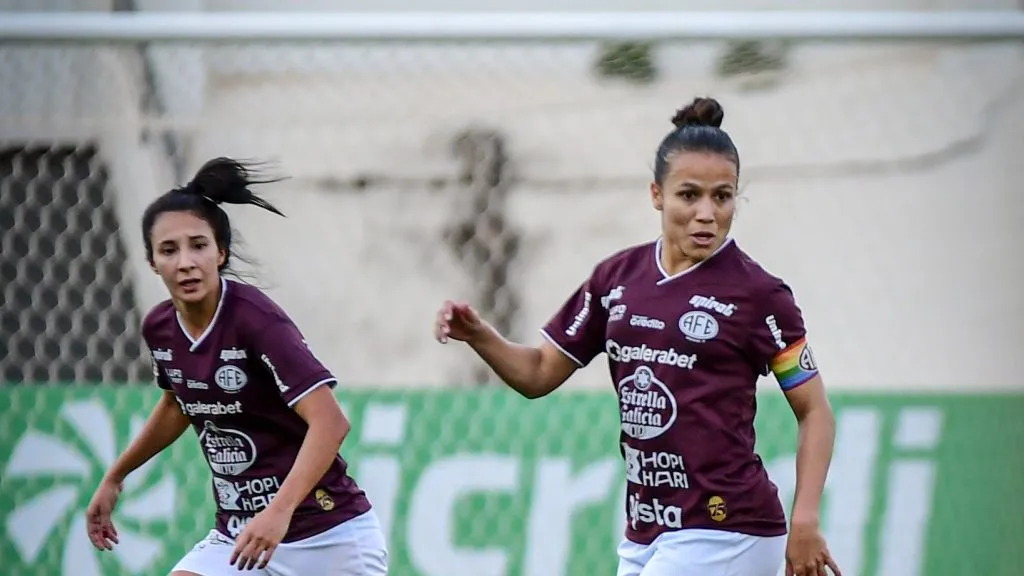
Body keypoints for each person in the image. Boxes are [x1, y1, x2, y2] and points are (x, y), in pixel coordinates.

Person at [434, 97, 842, 576]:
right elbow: (539, 373)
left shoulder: (759, 295)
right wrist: (480, 335)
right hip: (646, 531)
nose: (707, 214)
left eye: (723, 196)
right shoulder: (617, 279)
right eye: (689, 195)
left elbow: (814, 410)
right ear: (657, 194)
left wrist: (806, 519)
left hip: (727, 525)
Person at [85, 158, 388, 575]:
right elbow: (178, 404)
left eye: (199, 245)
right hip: (239, 537)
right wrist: (116, 477)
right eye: (169, 250)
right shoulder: (159, 327)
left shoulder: (256, 321)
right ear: (152, 262)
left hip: (326, 537)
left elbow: (331, 423)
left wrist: (278, 513)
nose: (186, 261)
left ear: (221, 253)